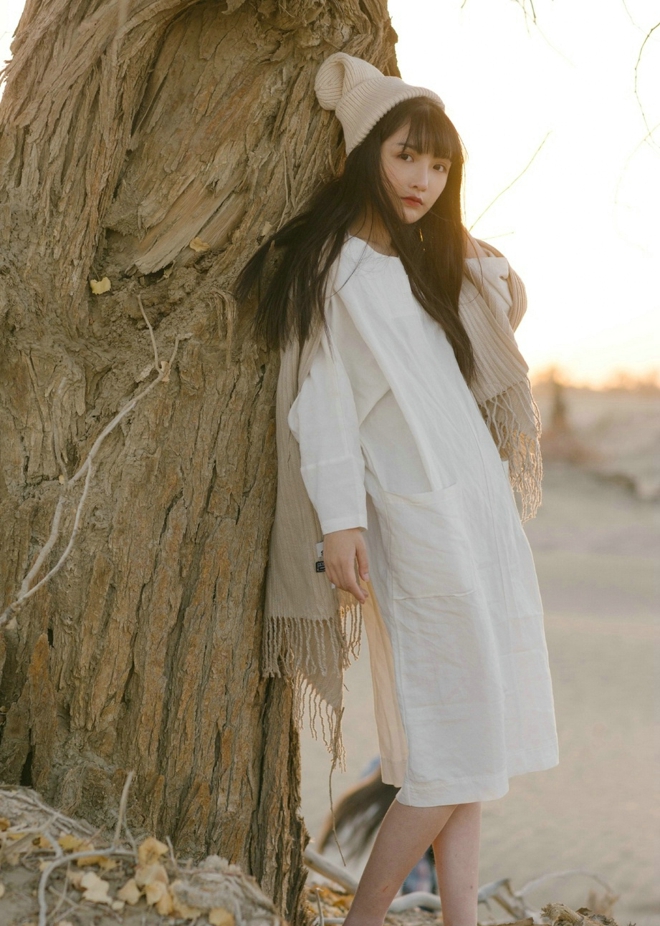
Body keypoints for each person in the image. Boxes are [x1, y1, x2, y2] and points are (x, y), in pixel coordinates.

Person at [236, 53, 559, 926]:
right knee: (448, 758)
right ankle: (363, 920)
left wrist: (453, 241)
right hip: (416, 529)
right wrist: (341, 521)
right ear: (365, 154)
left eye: (439, 165)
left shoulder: (423, 265)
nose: (422, 179)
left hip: (477, 517)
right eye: (406, 155)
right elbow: (323, 404)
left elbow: (505, 297)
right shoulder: (337, 270)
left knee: (472, 751)